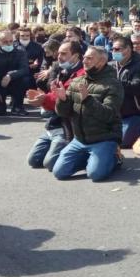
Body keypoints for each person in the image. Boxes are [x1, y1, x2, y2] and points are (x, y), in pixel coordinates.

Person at [51, 46, 124, 182]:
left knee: (96, 175)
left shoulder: (113, 84)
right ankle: (92, 158)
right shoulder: (77, 81)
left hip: (104, 139)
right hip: (80, 140)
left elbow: (108, 114)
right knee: (59, 173)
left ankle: (115, 157)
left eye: (90, 58)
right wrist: (62, 100)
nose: (85, 61)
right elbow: (63, 113)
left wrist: (88, 100)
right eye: (84, 57)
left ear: (101, 61)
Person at [26, 40, 84, 170]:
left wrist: (44, 99)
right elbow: (54, 92)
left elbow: (66, 100)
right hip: (53, 122)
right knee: (33, 161)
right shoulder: (61, 69)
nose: (59, 56)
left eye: (64, 53)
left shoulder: (81, 75)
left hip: (66, 125)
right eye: (58, 53)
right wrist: (42, 97)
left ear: (75, 56)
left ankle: (81, 155)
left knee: (50, 164)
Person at [0, 30, 30, 116]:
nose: (8, 44)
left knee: (25, 79)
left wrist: (10, 75)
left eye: (11, 41)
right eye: (5, 42)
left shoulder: (20, 51)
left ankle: (17, 106)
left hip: (14, 81)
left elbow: (24, 69)